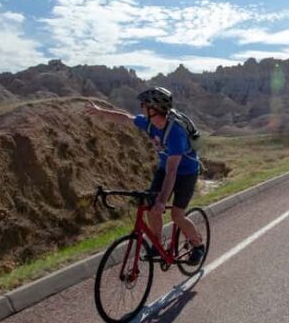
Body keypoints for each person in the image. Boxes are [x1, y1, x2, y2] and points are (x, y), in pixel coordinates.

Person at [86, 87, 205, 265]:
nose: (141, 108)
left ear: (154, 109)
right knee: (150, 207)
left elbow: (173, 172)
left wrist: (162, 200)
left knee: (176, 215)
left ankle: (197, 245)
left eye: (144, 105)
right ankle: (158, 244)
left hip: (186, 172)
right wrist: (100, 112)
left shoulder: (175, 134)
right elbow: (125, 118)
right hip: (165, 168)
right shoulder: (149, 123)